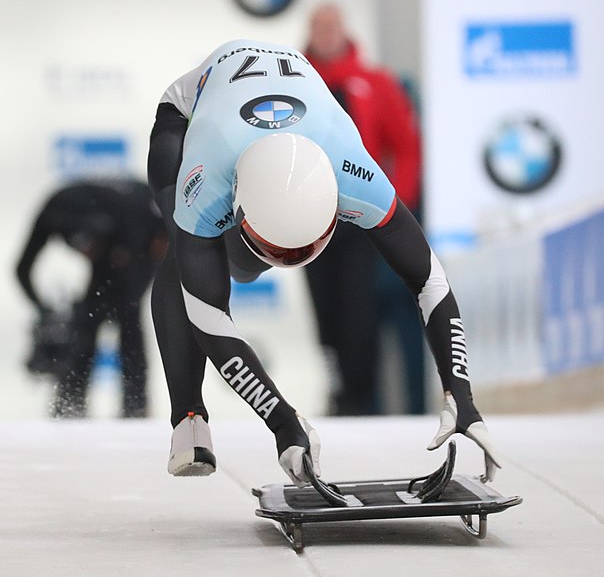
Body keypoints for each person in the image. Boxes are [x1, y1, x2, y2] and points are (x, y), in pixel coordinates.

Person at [147, 38, 501, 486]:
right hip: (189, 117)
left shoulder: (355, 173)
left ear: (338, 205)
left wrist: (461, 395)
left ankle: (194, 407)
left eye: (303, 250)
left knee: (235, 265)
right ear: (237, 213)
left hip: (280, 122)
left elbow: (429, 279)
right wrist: (282, 422)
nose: (290, 261)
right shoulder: (207, 182)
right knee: (185, 254)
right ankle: (188, 418)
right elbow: (209, 318)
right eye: (277, 249)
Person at [303, 3, 425, 415]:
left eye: (331, 26)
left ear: (344, 30)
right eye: (318, 27)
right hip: (308, 219)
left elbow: (406, 147)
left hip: (359, 219)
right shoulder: (297, 84)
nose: (325, 34)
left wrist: (397, 206)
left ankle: (362, 400)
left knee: (360, 310)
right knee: (324, 312)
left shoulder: (375, 82)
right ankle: (339, 394)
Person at [16, 179, 167, 418]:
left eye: (92, 247)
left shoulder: (132, 221)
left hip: (141, 237)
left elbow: (139, 274)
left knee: (128, 317)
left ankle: (135, 407)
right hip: (112, 240)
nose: (87, 252)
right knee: (87, 322)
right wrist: (44, 309)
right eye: (82, 249)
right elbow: (22, 268)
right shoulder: (54, 212)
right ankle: (70, 404)